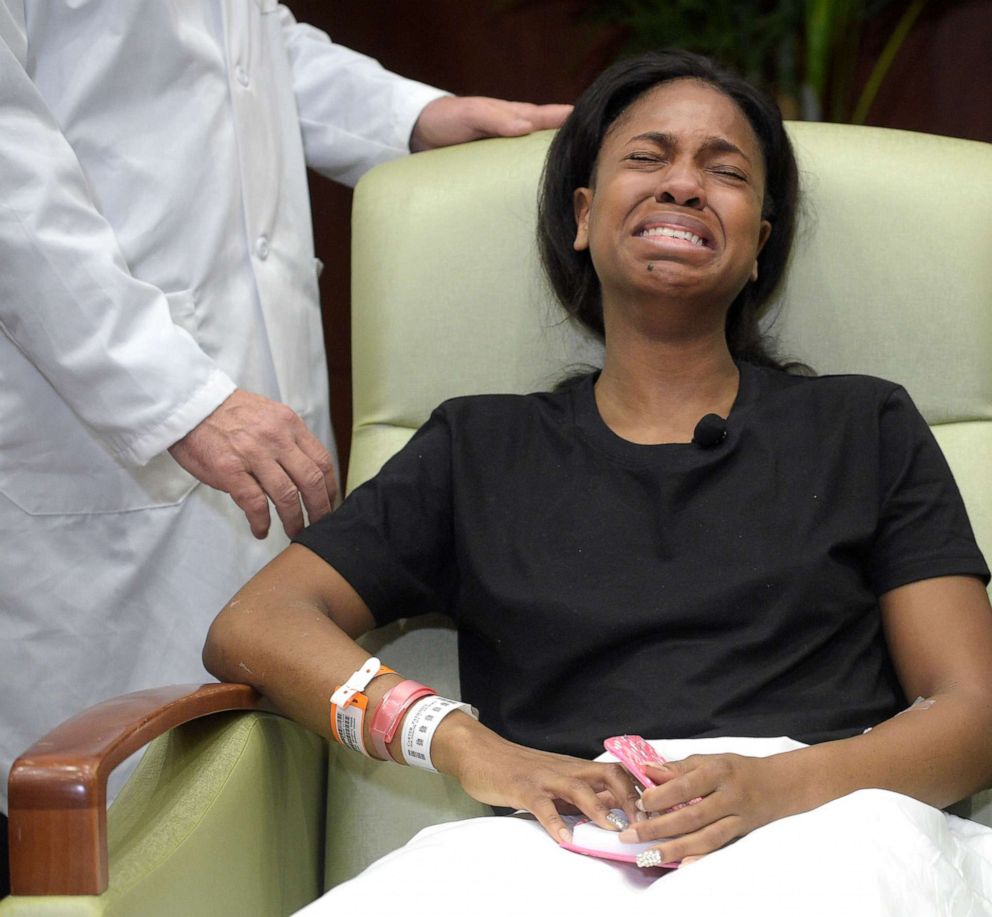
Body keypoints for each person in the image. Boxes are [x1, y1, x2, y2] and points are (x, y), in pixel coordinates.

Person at [202, 50, 992, 914]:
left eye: (725, 170)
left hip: (825, 829)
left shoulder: (862, 426)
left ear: (760, 244)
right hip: (556, 850)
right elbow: (259, 622)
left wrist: (778, 785)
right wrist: (467, 744)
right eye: (647, 158)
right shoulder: (480, 446)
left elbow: (974, 709)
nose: (684, 185)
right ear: (583, 215)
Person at [0, 0, 572, 862]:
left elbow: (242, 45)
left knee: (253, 810)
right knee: (106, 833)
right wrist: (175, 395)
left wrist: (406, 116)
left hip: (240, 394)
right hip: (99, 406)